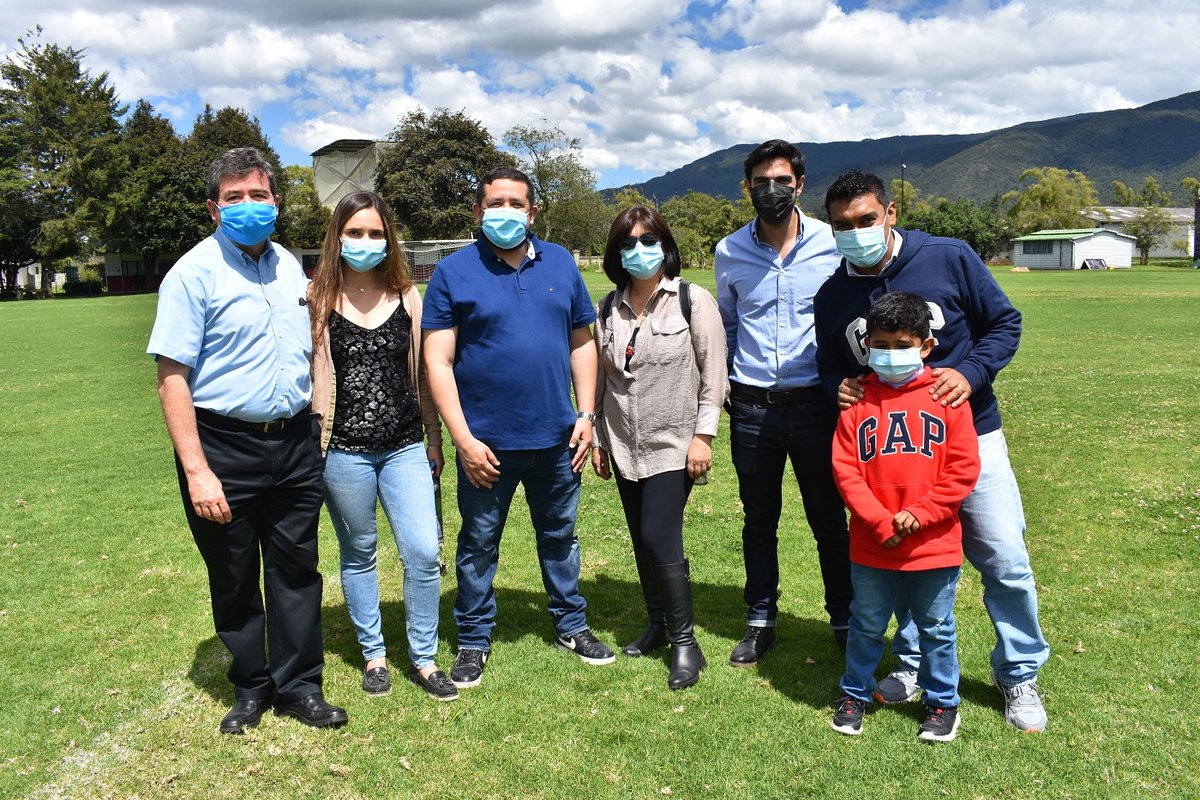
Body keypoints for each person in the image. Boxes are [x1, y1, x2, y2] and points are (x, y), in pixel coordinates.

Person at [815, 169, 1051, 733]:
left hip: (971, 437)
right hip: (890, 455)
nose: (855, 232)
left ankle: (1018, 672)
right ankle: (914, 663)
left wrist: (970, 373)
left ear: (890, 213)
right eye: (843, 225)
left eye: (866, 220)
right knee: (904, 556)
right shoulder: (832, 294)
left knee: (1004, 558)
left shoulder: (948, 257)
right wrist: (835, 388)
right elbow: (829, 365)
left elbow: (1004, 323)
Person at [147, 147, 346, 733]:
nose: (248, 205)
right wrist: (197, 470)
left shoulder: (290, 268)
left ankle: (300, 685)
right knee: (233, 573)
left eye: (258, 195)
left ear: (276, 202)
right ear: (214, 208)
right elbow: (172, 377)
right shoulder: (191, 274)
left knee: (297, 567)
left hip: (293, 441)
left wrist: (314, 424)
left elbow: (313, 347)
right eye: (234, 197)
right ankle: (251, 686)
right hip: (223, 446)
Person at [422, 166, 615, 689]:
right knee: (479, 543)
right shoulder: (452, 272)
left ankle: (571, 625)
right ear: (477, 211)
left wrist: (586, 415)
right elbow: (437, 361)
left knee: (560, 537)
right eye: (495, 203)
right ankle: (473, 637)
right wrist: (462, 440)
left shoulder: (561, 263)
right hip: (485, 446)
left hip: (558, 439)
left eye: (515, 203)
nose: (504, 212)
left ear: (532, 212)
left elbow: (582, 342)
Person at [309, 191, 456, 702]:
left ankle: (424, 658)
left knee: (422, 551)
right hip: (341, 452)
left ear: (389, 239)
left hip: (405, 447)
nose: (365, 241)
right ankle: (374, 656)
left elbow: (424, 376)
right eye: (355, 232)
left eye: (375, 233)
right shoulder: (316, 300)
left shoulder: (408, 296)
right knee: (359, 552)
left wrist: (434, 439)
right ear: (337, 237)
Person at [714, 139, 851, 666]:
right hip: (753, 408)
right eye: (761, 182)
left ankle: (844, 618)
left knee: (827, 517)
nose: (771, 190)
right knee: (759, 519)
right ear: (747, 187)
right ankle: (760, 620)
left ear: (800, 184)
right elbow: (728, 324)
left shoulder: (832, 243)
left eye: (782, 181)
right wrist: (729, 385)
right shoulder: (730, 251)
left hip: (818, 404)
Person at [829, 291, 979, 742]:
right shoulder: (856, 402)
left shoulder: (946, 398)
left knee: (936, 628)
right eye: (881, 346)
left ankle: (942, 702)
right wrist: (879, 521)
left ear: (926, 346)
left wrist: (921, 513)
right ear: (867, 345)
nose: (890, 355)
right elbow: (846, 470)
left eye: (902, 346)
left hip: (934, 543)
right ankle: (854, 693)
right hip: (873, 544)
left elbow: (963, 468)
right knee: (866, 624)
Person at [591, 206, 728, 690]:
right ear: (616, 253)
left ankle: (686, 644)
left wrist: (703, 437)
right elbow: (604, 381)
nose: (639, 251)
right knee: (639, 537)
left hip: (675, 444)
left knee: (657, 534)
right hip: (623, 443)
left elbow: (714, 376)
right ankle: (658, 625)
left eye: (648, 241)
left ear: (665, 246)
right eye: (628, 243)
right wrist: (599, 438)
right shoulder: (607, 309)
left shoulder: (693, 300)